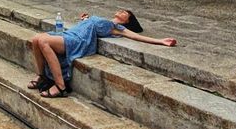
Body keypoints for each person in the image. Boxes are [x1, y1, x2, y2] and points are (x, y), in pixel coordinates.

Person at [28, 9, 177, 97]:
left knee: (43, 41)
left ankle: (60, 85)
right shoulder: (101, 19)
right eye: (123, 10)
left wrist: (160, 41)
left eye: (126, 13)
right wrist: (86, 19)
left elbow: (136, 36)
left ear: (127, 21)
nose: (122, 11)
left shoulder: (117, 27)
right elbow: (90, 24)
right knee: (35, 39)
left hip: (80, 41)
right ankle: (42, 76)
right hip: (71, 34)